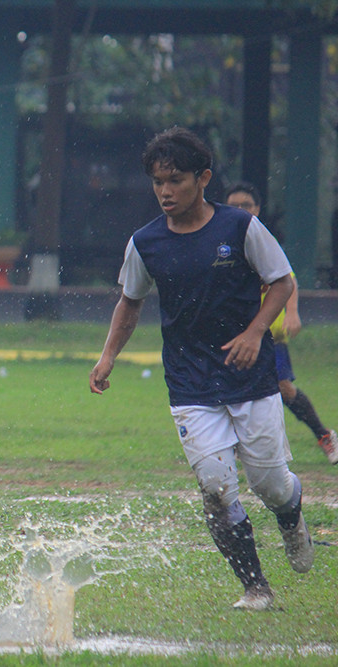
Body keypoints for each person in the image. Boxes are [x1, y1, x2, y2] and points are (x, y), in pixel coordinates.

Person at [90, 127, 313, 611]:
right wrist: (108, 356)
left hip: (251, 378)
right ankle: (256, 587)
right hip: (190, 381)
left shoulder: (239, 228)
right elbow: (130, 303)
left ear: (203, 178)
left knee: (270, 484)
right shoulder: (145, 242)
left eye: (175, 181)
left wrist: (256, 332)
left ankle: (290, 514)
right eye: (157, 183)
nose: (165, 192)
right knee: (215, 488)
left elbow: (280, 282)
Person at [224, 182, 337, 464]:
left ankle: (324, 435)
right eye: (233, 206)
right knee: (231, 390)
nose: (239, 211)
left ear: (257, 209)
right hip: (234, 332)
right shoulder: (222, 240)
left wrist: (293, 311)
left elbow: (287, 277)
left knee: (284, 389)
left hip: (268, 333)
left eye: (246, 206)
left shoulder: (262, 238)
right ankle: (233, 447)